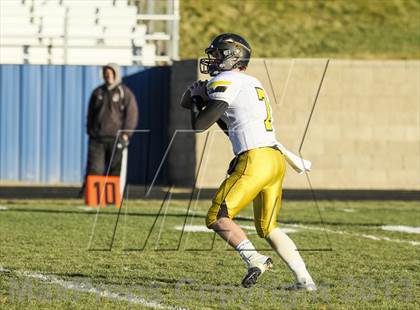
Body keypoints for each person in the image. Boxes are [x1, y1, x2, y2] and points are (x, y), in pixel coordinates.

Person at [181, 33, 316, 290]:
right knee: (268, 227)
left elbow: (199, 124)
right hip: (275, 159)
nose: (213, 59)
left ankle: (255, 259)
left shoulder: (226, 80)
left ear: (233, 57)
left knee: (217, 217)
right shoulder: (252, 81)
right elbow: (227, 124)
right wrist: (196, 99)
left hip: (255, 159)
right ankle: (305, 280)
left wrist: (197, 99)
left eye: (218, 54)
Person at [83, 63, 138, 190]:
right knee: (95, 168)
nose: (108, 76)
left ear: (116, 74)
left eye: (111, 73)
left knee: (115, 169)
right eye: (106, 74)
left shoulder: (125, 93)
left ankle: (112, 197)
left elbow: (132, 114)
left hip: (116, 138)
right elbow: (91, 114)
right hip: (97, 138)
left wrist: (126, 134)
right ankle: (92, 196)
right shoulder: (97, 92)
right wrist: (90, 131)